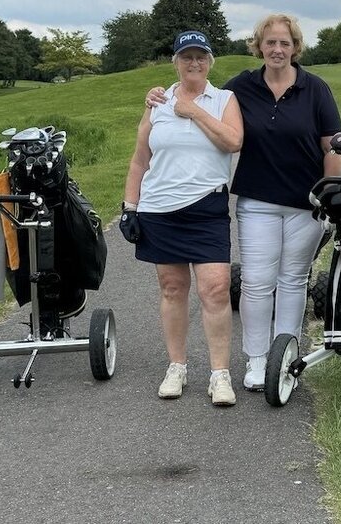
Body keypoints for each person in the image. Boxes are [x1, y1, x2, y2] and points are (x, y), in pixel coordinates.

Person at [146, 14, 341, 392]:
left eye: (285, 43)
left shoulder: (315, 88)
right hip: (257, 200)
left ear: (295, 47)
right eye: (270, 42)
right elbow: (199, 95)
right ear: (259, 46)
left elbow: (331, 146)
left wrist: (330, 196)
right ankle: (257, 360)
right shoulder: (241, 88)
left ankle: (286, 360)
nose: (277, 49)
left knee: (293, 281)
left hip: (306, 203)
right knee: (255, 282)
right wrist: (160, 95)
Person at [121, 30, 244, 406]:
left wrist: (193, 111)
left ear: (210, 62)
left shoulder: (223, 99)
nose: (194, 63)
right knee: (172, 289)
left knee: (216, 288)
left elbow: (233, 141)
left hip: (207, 208)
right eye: (186, 57)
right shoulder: (157, 102)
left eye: (200, 57)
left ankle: (220, 374)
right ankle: (177, 366)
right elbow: (140, 159)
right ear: (175, 62)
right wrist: (130, 207)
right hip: (160, 209)